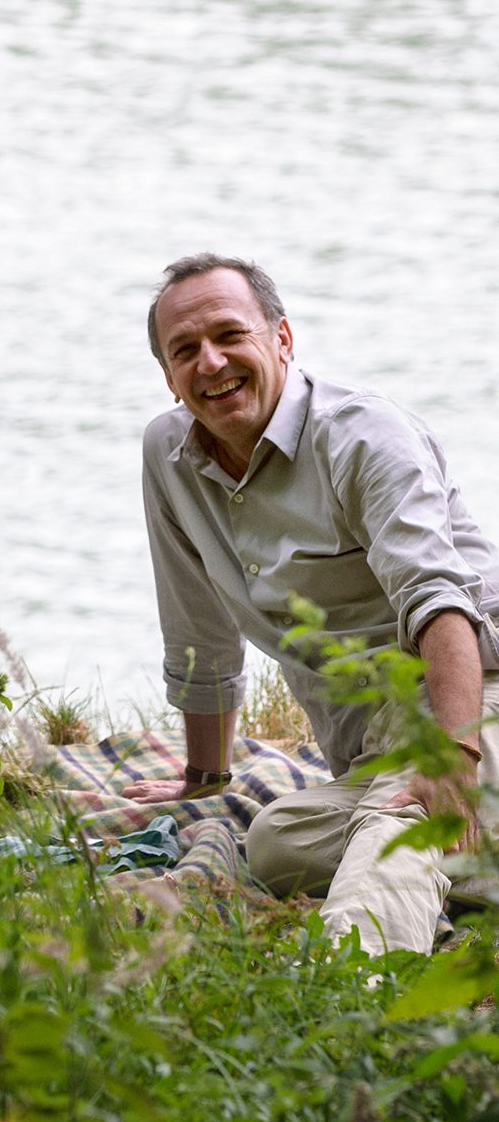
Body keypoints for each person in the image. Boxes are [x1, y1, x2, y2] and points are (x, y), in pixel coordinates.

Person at [126, 253, 499, 955]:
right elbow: (197, 626)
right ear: (168, 376)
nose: (210, 362)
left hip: (474, 693)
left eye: (230, 335)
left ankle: (354, 993)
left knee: (406, 817)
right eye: (185, 351)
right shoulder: (167, 454)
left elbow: (441, 602)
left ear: (282, 340)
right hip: (369, 746)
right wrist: (204, 777)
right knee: (275, 844)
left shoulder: (365, 436)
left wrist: (452, 752)